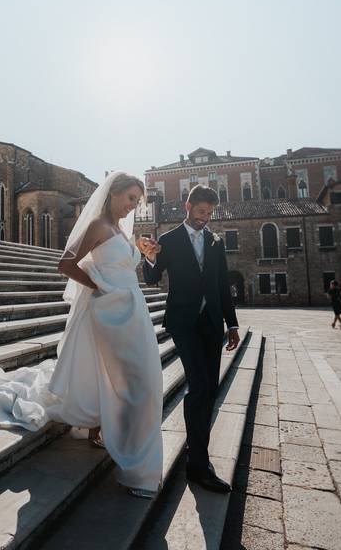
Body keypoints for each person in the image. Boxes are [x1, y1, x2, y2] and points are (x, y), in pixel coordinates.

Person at [0, 172, 164, 499]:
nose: (134, 206)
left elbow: (120, 264)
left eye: (137, 201)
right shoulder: (98, 226)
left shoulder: (119, 231)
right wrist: (100, 286)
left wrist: (142, 251)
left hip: (134, 315)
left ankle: (111, 437)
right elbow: (67, 264)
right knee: (139, 381)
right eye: (131, 198)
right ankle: (138, 467)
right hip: (111, 314)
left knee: (136, 378)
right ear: (114, 193)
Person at [139, 185, 239, 494]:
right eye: (200, 212)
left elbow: (222, 284)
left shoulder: (215, 241)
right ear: (188, 206)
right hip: (183, 323)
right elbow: (152, 279)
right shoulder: (168, 240)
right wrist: (150, 257)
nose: (205, 219)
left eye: (209, 214)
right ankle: (198, 465)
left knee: (209, 389)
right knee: (200, 387)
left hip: (211, 324)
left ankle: (196, 454)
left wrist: (231, 324)